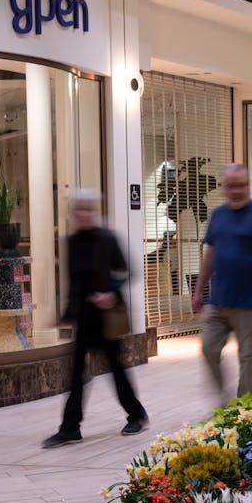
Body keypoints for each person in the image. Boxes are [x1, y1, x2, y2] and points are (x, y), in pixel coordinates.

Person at [42, 190, 149, 447]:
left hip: (107, 319)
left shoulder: (108, 239)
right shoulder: (70, 242)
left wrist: (110, 292)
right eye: (79, 209)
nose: (84, 214)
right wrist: (66, 315)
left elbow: (128, 271)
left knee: (116, 370)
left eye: (88, 209)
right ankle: (70, 428)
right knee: (76, 374)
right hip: (85, 319)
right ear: (72, 213)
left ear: (96, 212)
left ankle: (137, 415)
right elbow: (74, 283)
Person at [193, 163, 252, 400]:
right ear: (224, 188)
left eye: (241, 185)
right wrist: (198, 290)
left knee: (248, 357)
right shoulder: (218, 215)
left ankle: (245, 407)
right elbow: (210, 254)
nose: (237, 191)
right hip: (218, 299)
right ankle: (226, 401)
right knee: (208, 349)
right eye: (231, 186)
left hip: (250, 303)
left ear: (248, 186)